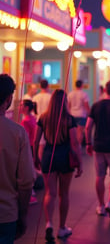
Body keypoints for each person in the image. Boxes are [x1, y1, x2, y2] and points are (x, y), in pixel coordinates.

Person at [34, 89, 83, 242]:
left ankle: (49, 224)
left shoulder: (43, 118)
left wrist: (36, 157)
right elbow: (74, 142)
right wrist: (80, 162)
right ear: (64, 102)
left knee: (50, 193)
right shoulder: (69, 119)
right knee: (64, 194)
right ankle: (62, 228)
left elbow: (36, 140)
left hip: (48, 156)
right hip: (65, 157)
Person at [0, 74, 35, 243]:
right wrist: (22, 215)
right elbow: (26, 181)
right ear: (8, 98)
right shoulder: (18, 133)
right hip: (5, 214)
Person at [85, 80, 110, 220]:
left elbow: (88, 127)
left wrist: (88, 143)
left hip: (98, 147)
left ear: (104, 90)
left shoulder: (95, 106)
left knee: (99, 176)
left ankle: (101, 206)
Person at [20, 99, 38, 205]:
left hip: (28, 148)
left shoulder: (25, 121)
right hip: (32, 147)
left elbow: (24, 137)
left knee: (26, 172)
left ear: (26, 108)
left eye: (21, 105)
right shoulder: (32, 118)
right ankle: (32, 193)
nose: (19, 107)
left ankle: (30, 195)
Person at [68, 79, 90, 146]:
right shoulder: (84, 94)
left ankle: (73, 146)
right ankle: (79, 146)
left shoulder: (70, 94)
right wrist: (90, 113)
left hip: (72, 114)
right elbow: (86, 106)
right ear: (82, 85)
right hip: (81, 114)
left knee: (72, 132)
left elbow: (68, 106)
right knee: (79, 132)